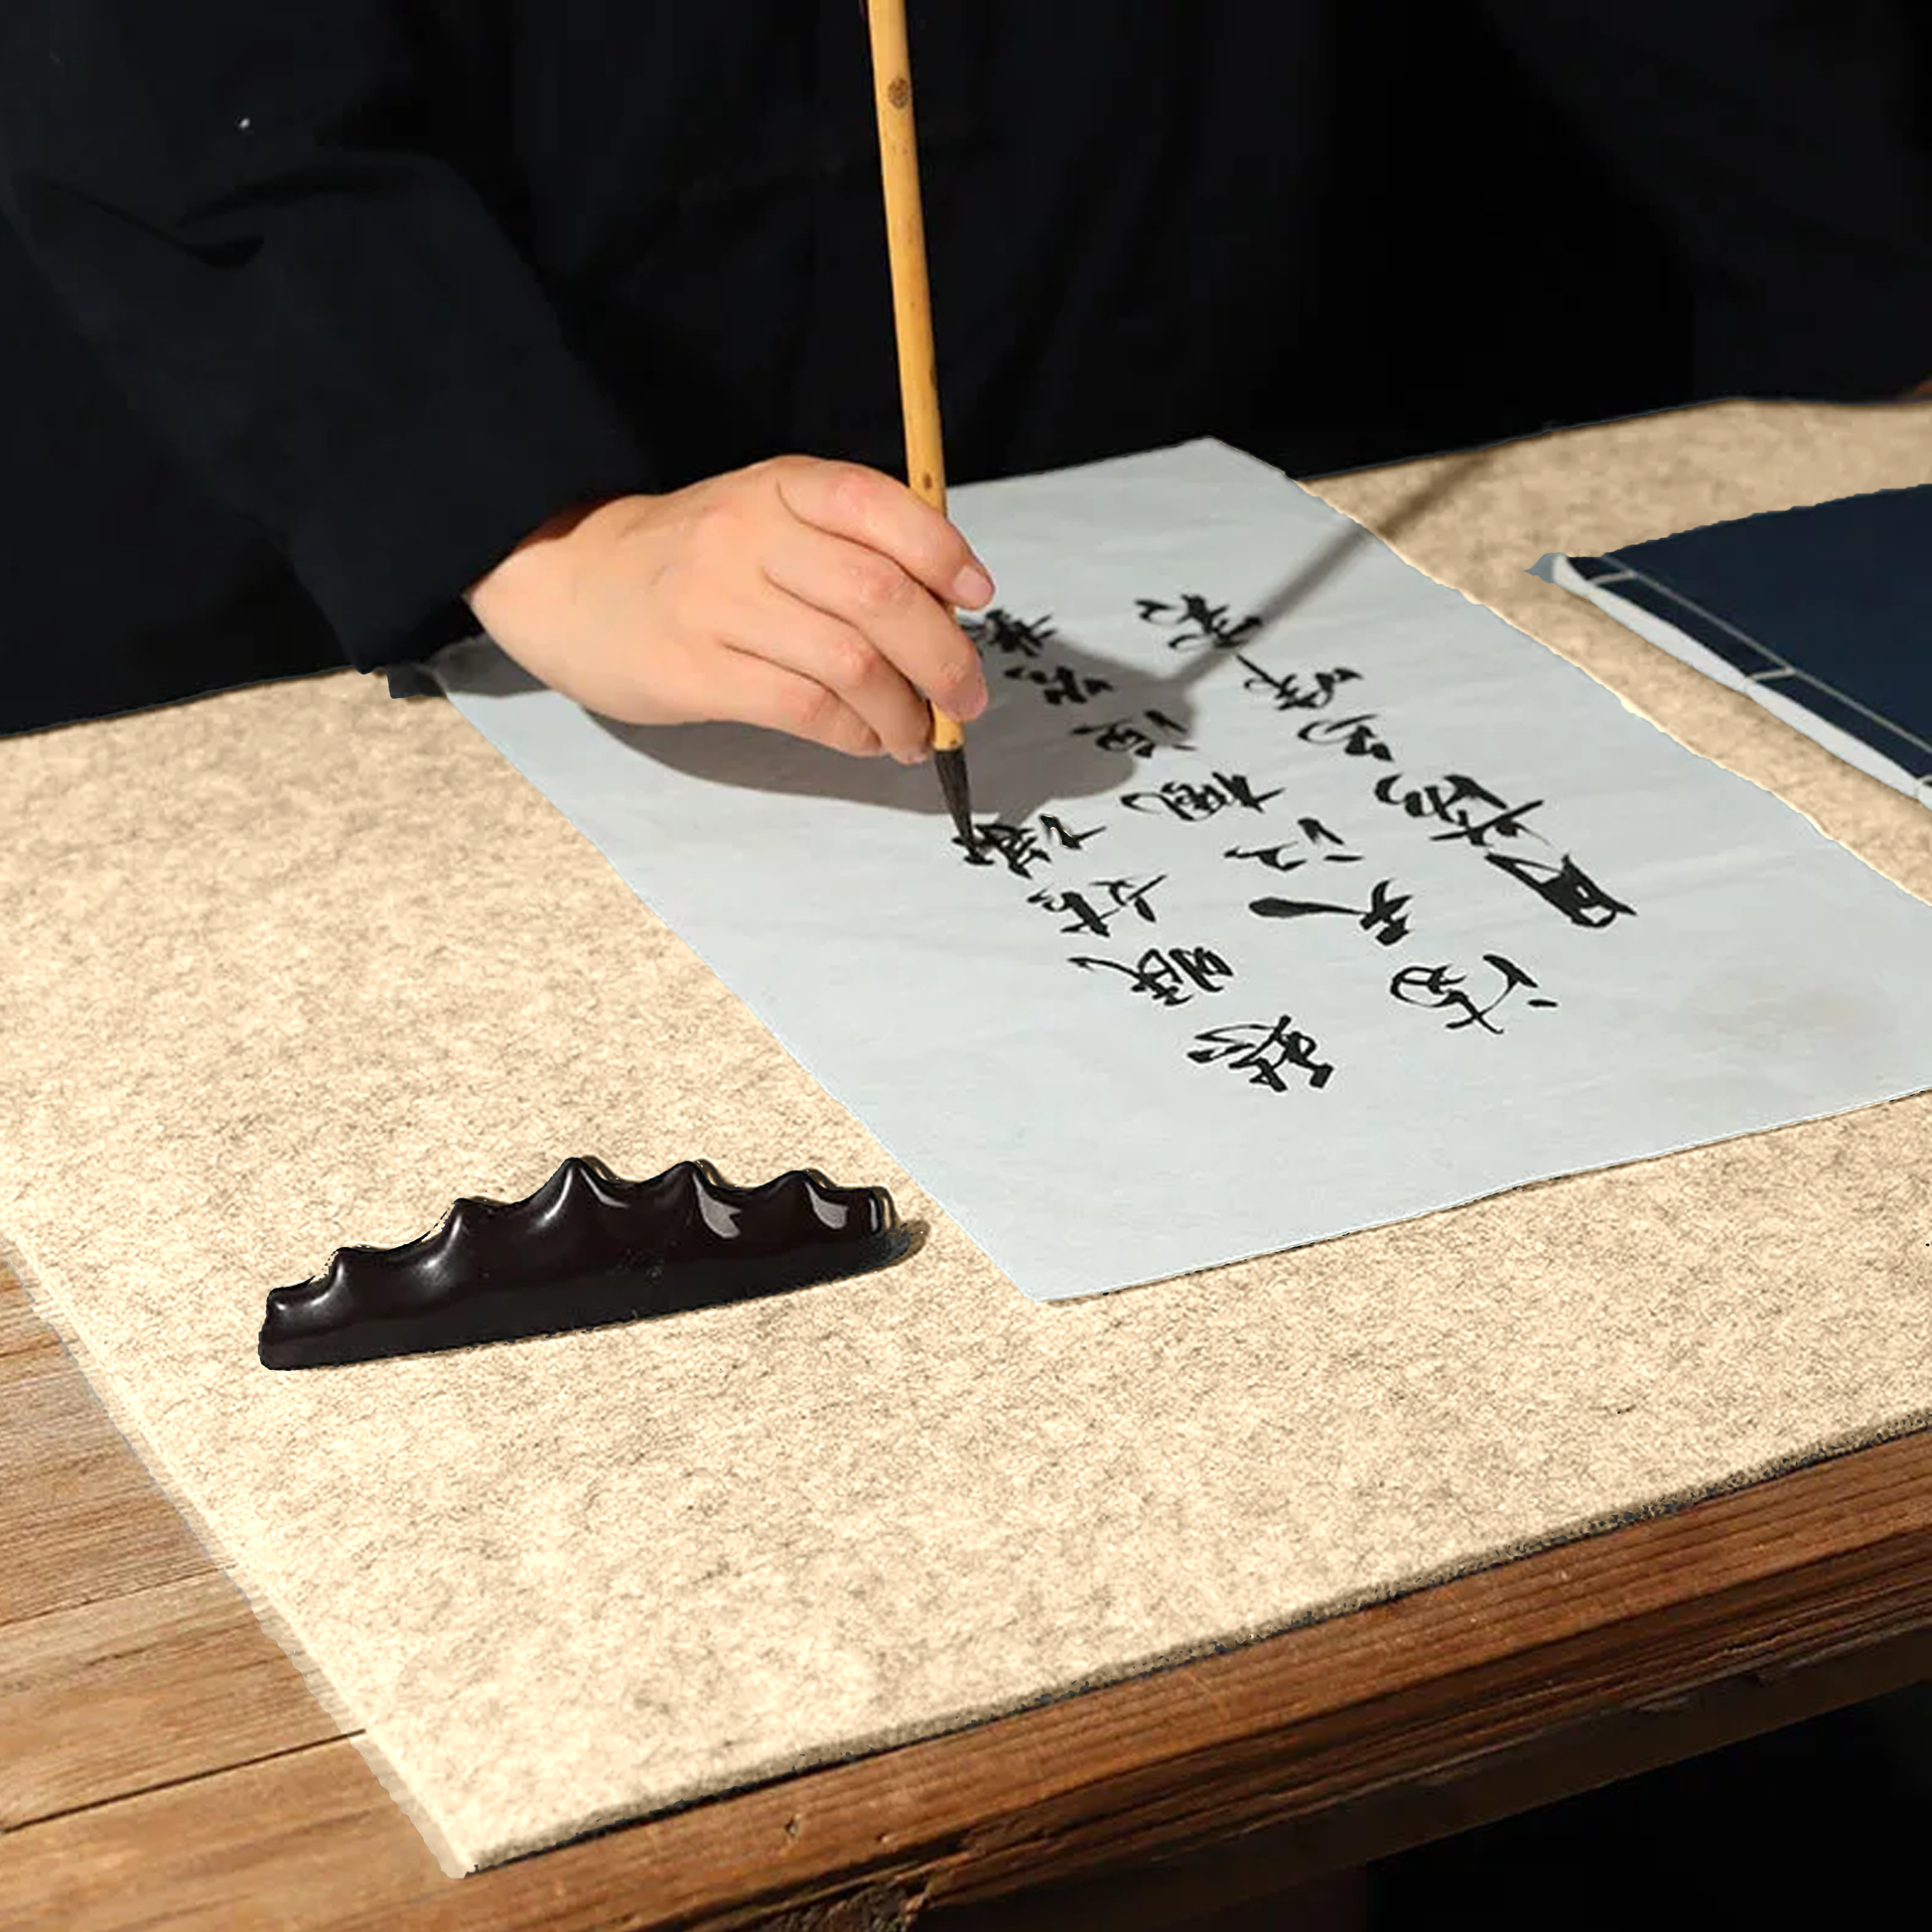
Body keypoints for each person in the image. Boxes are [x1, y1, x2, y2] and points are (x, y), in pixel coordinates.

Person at [2, 1, 1928, 751]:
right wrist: (534, 523)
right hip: (354, 499)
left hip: (1160, 441)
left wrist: (1875, 325)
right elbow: (171, 100)